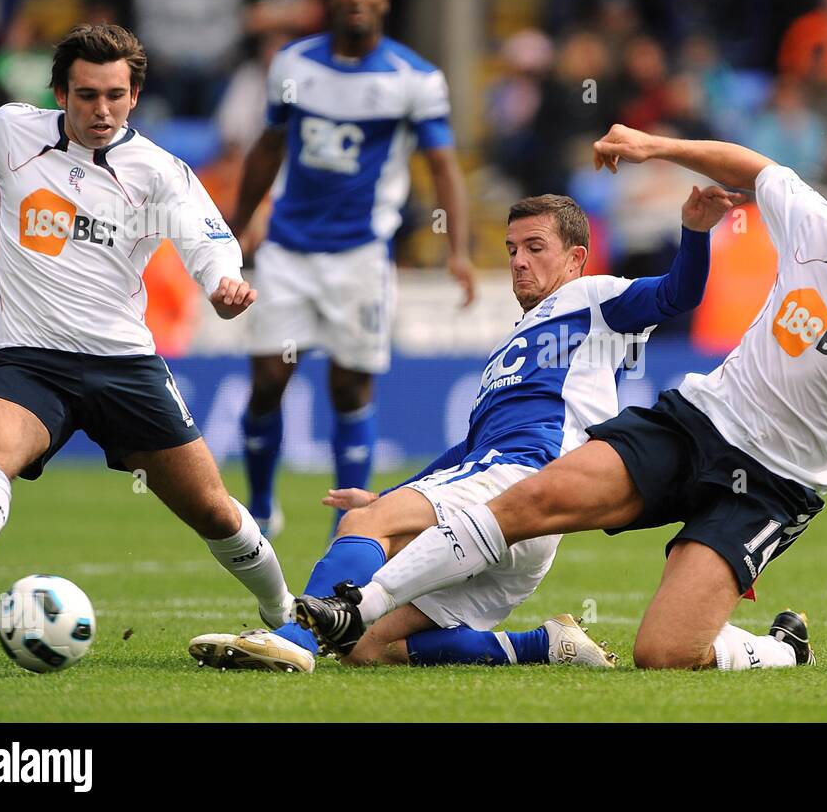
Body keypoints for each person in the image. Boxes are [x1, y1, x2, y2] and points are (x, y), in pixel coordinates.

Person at [298, 124, 827, 672]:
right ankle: (353, 612)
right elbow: (754, 165)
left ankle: (775, 649)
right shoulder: (815, 228)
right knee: (536, 499)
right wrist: (650, 145)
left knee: (662, 654)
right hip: (699, 418)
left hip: (775, 483)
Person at [189, 187, 739, 672]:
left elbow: (678, 294)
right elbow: (470, 449)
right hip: (517, 519)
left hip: (528, 479)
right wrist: (393, 493)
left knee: (364, 523)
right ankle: (543, 645)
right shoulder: (513, 344)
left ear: (576, 259)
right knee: (364, 647)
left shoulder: (594, 300)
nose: (519, 262)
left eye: (535, 248)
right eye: (512, 250)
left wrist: (693, 232)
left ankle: (288, 639)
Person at [0, 24, 294, 630]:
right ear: (59, 93)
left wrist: (223, 285)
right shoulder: (10, 134)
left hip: (123, 367)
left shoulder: (158, 172)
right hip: (28, 359)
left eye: (114, 95)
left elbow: (209, 243)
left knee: (211, 509)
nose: (100, 110)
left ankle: (283, 609)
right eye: (85, 95)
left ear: (134, 96)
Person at [231, 0, 476, 538]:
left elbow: (442, 166)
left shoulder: (414, 78)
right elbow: (268, 146)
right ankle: (262, 508)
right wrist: (238, 222)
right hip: (288, 249)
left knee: (349, 387)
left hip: (361, 256)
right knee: (269, 378)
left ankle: (350, 522)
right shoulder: (292, 64)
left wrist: (457, 250)